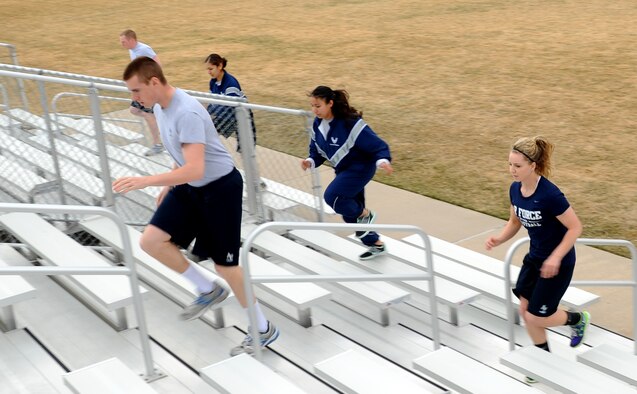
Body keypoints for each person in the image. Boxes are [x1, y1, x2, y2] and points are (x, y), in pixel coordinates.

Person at [113, 57, 279, 356]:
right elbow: (182, 158)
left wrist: (148, 180)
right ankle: (207, 289)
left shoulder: (186, 111)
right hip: (189, 185)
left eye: (136, 90)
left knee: (225, 266)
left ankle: (263, 329)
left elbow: (196, 169)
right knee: (151, 241)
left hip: (219, 190)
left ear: (154, 82)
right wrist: (167, 184)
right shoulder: (161, 108)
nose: (134, 98)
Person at [485, 136, 589, 383]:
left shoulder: (550, 195)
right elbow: (515, 221)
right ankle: (543, 362)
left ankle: (577, 318)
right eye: (510, 164)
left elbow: (575, 228)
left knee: (535, 316)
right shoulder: (515, 188)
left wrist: (555, 257)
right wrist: (500, 239)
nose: (512, 170)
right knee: (525, 310)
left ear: (533, 165)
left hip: (558, 264)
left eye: (518, 166)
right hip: (535, 258)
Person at [301, 86, 393, 260]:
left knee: (333, 197)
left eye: (318, 106)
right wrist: (310, 161)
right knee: (348, 214)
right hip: (344, 171)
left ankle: (366, 214)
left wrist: (382, 160)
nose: (314, 110)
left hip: (360, 168)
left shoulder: (350, 123)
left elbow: (377, 145)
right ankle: (376, 245)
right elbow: (317, 151)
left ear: (330, 103)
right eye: (312, 105)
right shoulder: (317, 124)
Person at [119, 29, 164, 156]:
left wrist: (151, 82)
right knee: (135, 110)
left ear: (131, 40)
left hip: (147, 89)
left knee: (146, 114)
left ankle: (157, 144)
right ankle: (157, 123)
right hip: (141, 88)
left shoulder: (144, 49)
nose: (122, 45)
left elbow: (158, 64)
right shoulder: (132, 50)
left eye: (124, 42)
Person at [204, 53, 256, 153]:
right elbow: (211, 103)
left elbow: (229, 107)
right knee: (207, 134)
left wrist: (211, 113)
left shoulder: (231, 83)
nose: (208, 72)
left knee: (246, 151)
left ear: (220, 66)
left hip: (242, 117)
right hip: (226, 116)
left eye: (211, 69)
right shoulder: (212, 82)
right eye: (207, 69)